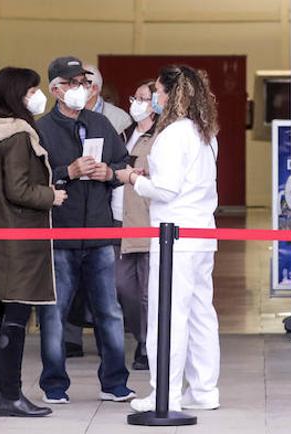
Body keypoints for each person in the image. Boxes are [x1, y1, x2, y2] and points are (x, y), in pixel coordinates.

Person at [34, 56, 136, 405]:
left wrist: (109, 173)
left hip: (99, 233)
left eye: (83, 81)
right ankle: (54, 384)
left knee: (109, 311)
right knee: (55, 312)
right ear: (56, 89)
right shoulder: (40, 130)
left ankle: (114, 382)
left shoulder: (101, 124)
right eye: (72, 82)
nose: (80, 88)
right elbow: (32, 181)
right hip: (59, 235)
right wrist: (68, 171)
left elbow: (124, 163)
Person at [0, 66, 68, 417]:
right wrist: (51, 196)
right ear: (15, 95)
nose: (35, 97)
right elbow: (18, 189)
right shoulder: (17, 136)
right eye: (30, 91)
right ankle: (11, 395)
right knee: (16, 312)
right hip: (18, 240)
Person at [122, 65, 221, 413]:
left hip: (174, 236)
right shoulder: (204, 133)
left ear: (171, 95)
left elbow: (164, 190)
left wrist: (133, 178)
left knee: (167, 316)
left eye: (159, 93)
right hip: (201, 233)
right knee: (200, 314)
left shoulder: (171, 135)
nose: (155, 100)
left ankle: (165, 391)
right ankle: (206, 390)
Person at [115, 81, 157, 371]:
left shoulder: (161, 136)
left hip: (144, 220)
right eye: (135, 96)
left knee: (144, 289)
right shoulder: (126, 133)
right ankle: (141, 336)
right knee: (122, 286)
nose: (136, 102)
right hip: (117, 220)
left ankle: (146, 344)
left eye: (143, 98)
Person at [85, 63, 133, 135]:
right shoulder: (66, 114)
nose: (73, 88)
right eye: (72, 82)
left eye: (80, 83)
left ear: (94, 89)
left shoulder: (120, 118)